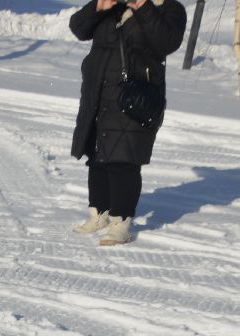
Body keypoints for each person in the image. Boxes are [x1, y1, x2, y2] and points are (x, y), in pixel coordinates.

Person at [68, 0, 187, 246]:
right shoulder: (114, 5)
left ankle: (120, 222)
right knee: (98, 156)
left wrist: (143, 6)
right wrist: (99, 6)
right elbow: (78, 28)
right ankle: (98, 214)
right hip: (98, 92)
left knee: (124, 159)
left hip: (134, 98)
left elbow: (166, 43)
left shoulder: (170, 9)